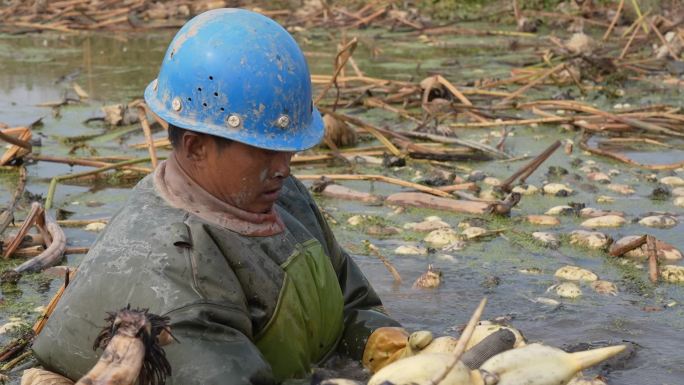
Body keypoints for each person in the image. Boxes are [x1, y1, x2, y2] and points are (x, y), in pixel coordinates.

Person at [32, 8, 421, 384]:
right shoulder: (172, 276)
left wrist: (387, 346)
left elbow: (352, 299)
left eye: (287, 148)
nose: (284, 167)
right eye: (263, 150)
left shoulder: (277, 197)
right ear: (196, 147)